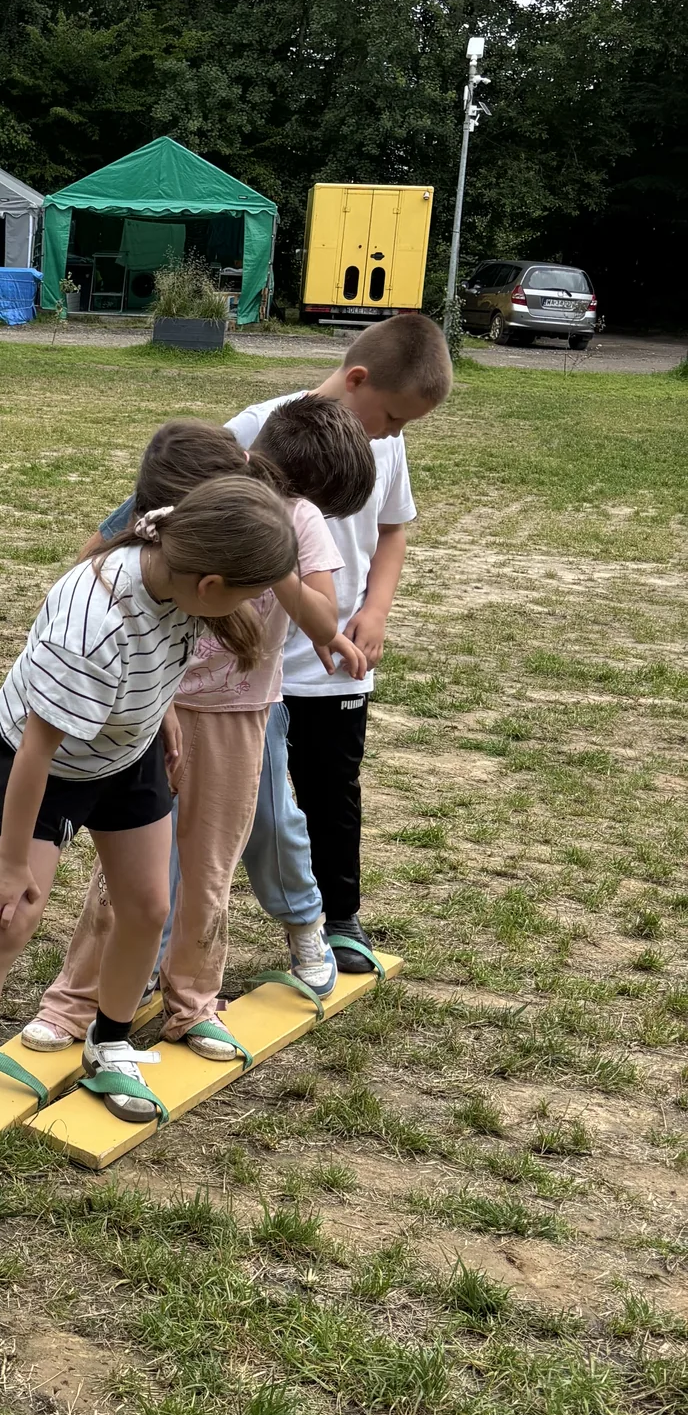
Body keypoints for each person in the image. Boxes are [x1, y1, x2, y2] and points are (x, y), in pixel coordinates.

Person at [0, 472, 299, 1175]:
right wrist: (13, 862)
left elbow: (159, 652)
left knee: (146, 906)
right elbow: (36, 753)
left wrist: (159, 713)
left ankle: (107, 1046)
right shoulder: (93, 621)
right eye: (248, 594)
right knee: (10, 921)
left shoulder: (181, 553)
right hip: (44, 766)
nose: (250, 608)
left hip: (124, 753)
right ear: (211, 584)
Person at [24, 399, 374, 1059]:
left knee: (210, 869)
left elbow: (323, 613)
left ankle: (193, 1004)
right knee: (131, 871)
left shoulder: (299, 522)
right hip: (161, 706)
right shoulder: (191, 503)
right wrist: (162, 706)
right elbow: (96, 559)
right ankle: (76, 1002)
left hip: (242, 718)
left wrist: (279, 567)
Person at [231, 313, 452, 985]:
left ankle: (339, 918)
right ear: (356, 381)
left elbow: (392, 533)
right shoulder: (253, 429)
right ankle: (175, 933)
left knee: (331, 788)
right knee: (238, 798)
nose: (394, 432)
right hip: (251, 663)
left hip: (337, 661)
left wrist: (375, 611)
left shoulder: (386, 445)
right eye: (391, 417)